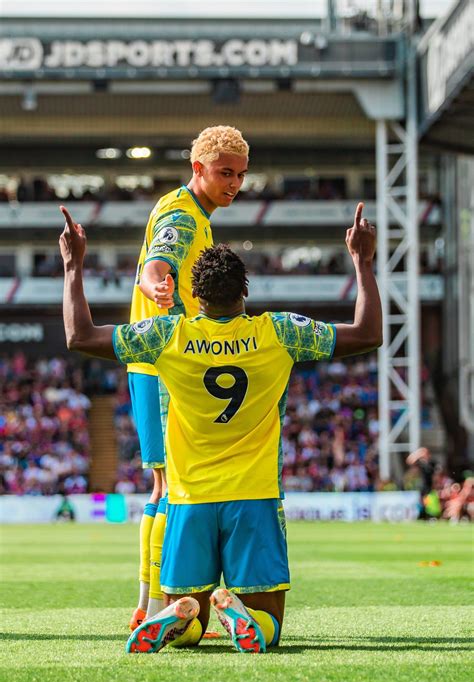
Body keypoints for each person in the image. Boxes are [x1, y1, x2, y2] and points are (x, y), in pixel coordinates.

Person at [59, 201, 382, 654]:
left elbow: (80, 335)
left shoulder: (167, 336)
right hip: (254, 496)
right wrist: (363, 263)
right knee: (269, 622)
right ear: (244, 291)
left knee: (189, 627)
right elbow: (367, 333)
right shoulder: (280, 332)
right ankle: (246, 619)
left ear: (196, 293)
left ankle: (180, 618)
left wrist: (74, 266)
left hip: (190, 499)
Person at [127, 126, 249, 628]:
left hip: (163, 364)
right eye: (225, 173)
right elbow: (158, 259)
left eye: (241, 174)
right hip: (162, 365)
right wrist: (158, 286)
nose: (235, 183)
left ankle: (148, 605)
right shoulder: (181, 213)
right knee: (166, 487)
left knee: (167, 485)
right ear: (197, 169)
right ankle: (154, 609)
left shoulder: (200, 215)